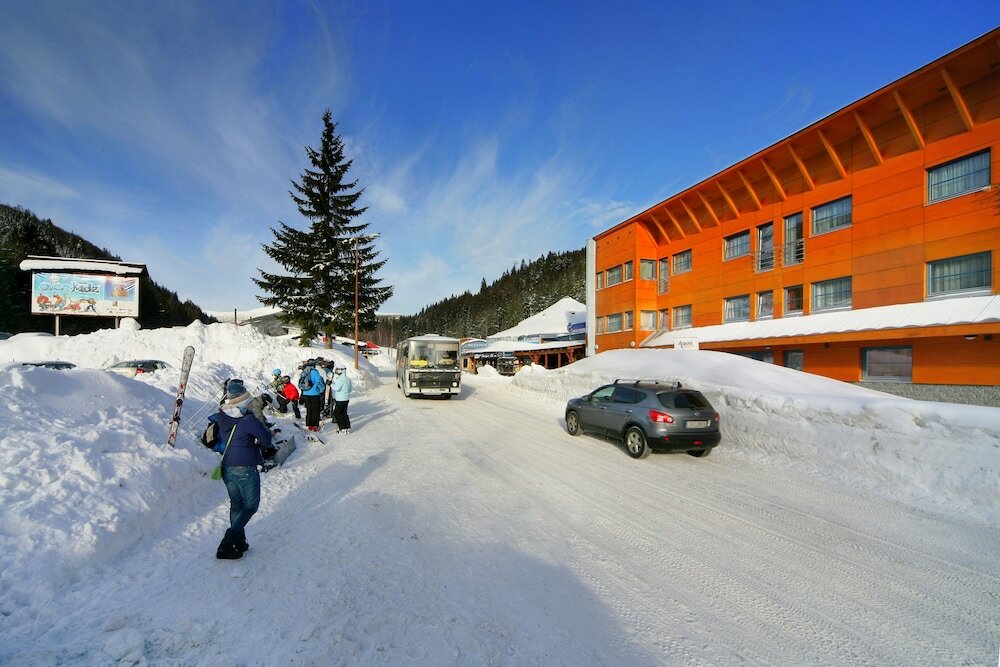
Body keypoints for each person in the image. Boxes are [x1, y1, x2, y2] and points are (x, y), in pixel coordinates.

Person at [214, 386, 276, 560]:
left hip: (227, 467)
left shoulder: (222, 415)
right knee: (251, 506)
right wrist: (257, 441)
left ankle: (239, 541)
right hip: (246, 467)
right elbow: (266, 440)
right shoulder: (248, 420)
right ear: (244, 401)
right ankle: (227, 543)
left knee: (237, 504)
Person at [298, 359, 326, 432]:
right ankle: (314, 426)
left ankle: (309, 425)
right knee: (315, 410)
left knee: (309, 410)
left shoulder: (304, 371)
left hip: (305, 394)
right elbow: (319, 381)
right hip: (314, 394)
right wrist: (322, 389)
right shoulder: (314, 372)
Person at [331, 365, 352, 433]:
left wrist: (331, 384)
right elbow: (350, 389)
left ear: (341, 370)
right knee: (344, 413)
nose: (336, 371)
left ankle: (342, 428)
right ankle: (347, 427)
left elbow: (337, 388)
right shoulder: (348, 379)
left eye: (337, 370)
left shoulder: (340, 379)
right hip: (346, 398)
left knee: (337, 413)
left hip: (340, 399)